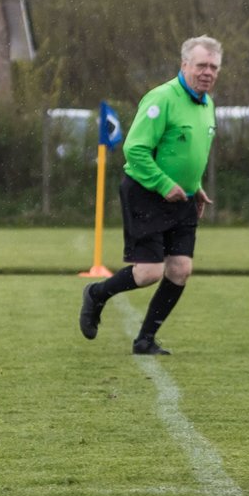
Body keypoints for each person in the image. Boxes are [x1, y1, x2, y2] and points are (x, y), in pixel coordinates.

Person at [79, 36, 223, 355]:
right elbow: (135, 149)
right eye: (201, 65)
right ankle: (97, 293)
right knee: (148, 273)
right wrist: (163, 184)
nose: (207, 72)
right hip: (146, 192)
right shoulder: (162, 99)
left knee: (180, 270)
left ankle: (145, 340)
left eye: (213, 67)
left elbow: (190, 151)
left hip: (183, 197)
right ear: (184, 65)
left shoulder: (207, 103)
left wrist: (194, 185)